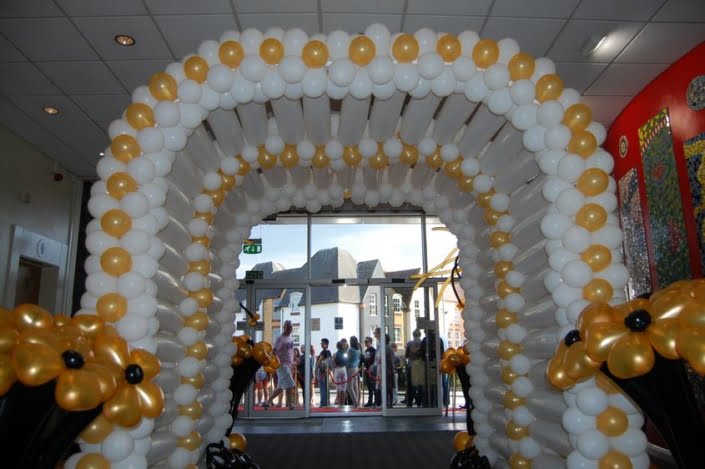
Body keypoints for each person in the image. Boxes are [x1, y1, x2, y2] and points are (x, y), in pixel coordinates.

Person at [264, 320, 296, 410]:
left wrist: (292, 361)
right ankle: (289, 404)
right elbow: (274, 350)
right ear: (284, 327)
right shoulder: (279, 338)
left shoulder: (291, 338)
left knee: (282, 386)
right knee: (290, 383)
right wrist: (275, 362)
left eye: (291, 327)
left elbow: (291, 351)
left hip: (288, 364)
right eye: (288, 327)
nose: (290, 329)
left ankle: (268, 401)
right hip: (281, 364)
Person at [405, 329, 423, 407]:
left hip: (411, 366)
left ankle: (410, 402)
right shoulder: (422, 343)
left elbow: (406, 355)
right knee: (420, 385)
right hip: (420, 366)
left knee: (410, 385)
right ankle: (419, 401)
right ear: (420, 335)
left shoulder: (409, 343)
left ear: (413, 335)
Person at [316, 338, 332, 407]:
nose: (321, 345)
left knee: (322, 387)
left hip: (322, 371)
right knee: (326, 387)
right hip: (327, 371)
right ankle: (327, 401)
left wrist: (316, 369)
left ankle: (323, 402)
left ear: (326, 344)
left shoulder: (323, 352)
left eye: (322, 343)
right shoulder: (329, 352)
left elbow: (319, 361)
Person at [346, 336, 361, 406]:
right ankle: (357, 401)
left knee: (349, 386)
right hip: (356, 368)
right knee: (355, 385)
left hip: (351, 368)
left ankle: (355, 402)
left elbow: (348, 359)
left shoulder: (350, 350)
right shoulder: (358, 350)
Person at [333, 341, 348, 406]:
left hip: (337, 369)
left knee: (338, 387)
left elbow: (333, 363)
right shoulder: (345, 353)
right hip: (344, 369)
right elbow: (347, 361)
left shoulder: (335, 354)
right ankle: (343, 402)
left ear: (337, 347)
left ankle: (339, 403)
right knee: (344, 387)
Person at [362, 336, 376, 407]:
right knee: (369, 386)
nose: (365, 343)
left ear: (370, 342)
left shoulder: (373, 350)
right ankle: (370, 401)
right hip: (366, 370)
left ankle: (375, 400)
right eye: (365, 342)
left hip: (371, 370)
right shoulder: (366, 351)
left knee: (373, 386)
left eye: (367, 342)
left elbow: (373, 360)